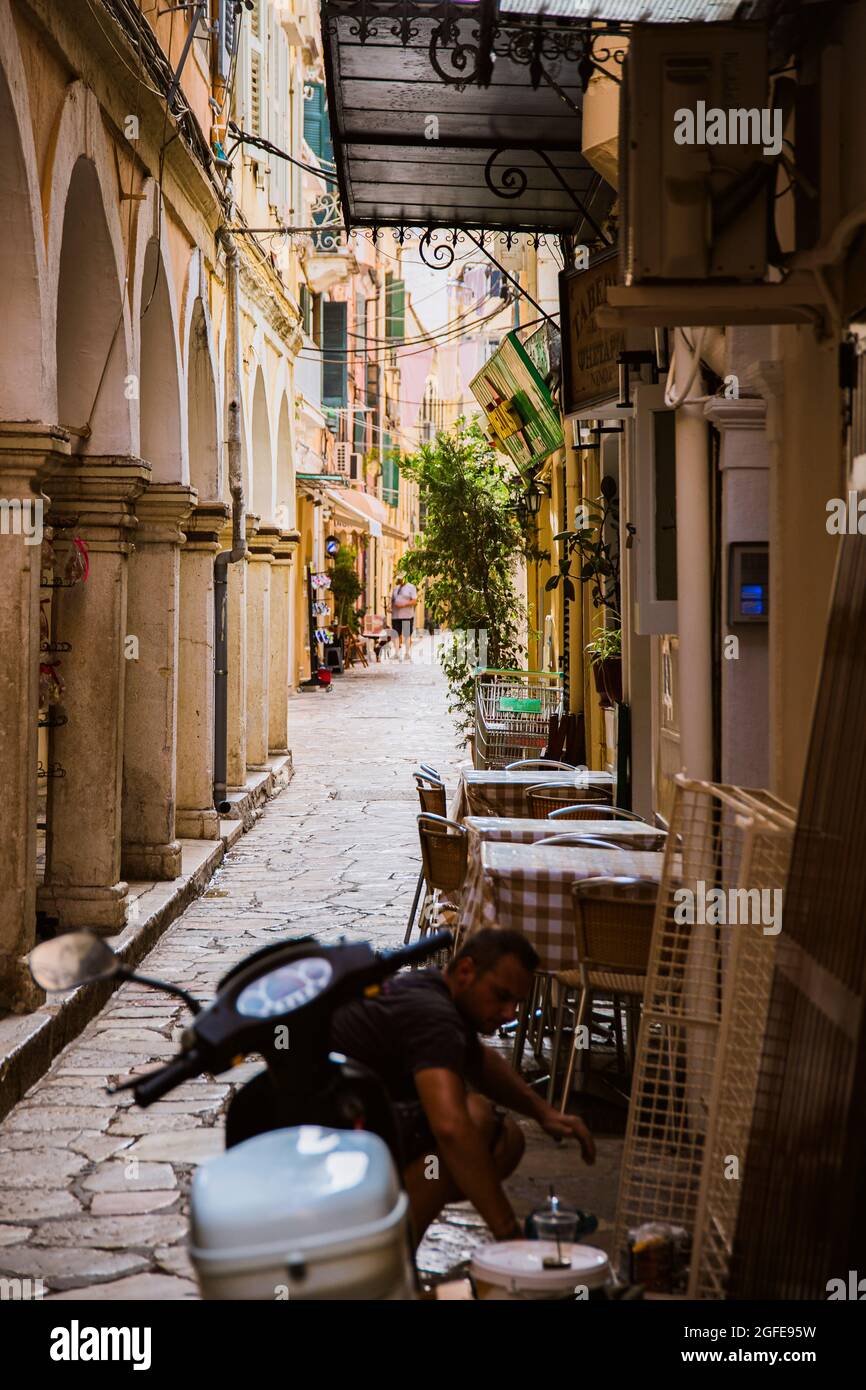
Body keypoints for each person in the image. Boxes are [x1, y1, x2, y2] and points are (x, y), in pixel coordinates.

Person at [330, 928, 596, 1246]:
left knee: (505, 1138)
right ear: (466, 971)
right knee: (474, 1120)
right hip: (339, 1136)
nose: (509, 1013)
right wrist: (508, 1235)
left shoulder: (433, 987)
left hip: (357, 1121)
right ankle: (388, 1254)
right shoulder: (436, 1016)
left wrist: (543, 1112)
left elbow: (480, 1060)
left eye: (516, 1003)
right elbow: (451, 1127)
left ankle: (391, 1230)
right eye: (501, 996)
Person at [388, 572, 418, 659]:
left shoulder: (411, 587)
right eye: (398, 578)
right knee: (396, 635)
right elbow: (393, 601)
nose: (399, 580)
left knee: (407, 635)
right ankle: (397, 653)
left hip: (407, 616)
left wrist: (403, 605)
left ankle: (407, 653)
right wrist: (390, 607)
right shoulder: (395, 588)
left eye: (400, 578)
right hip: (396, 616)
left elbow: (414, 601)